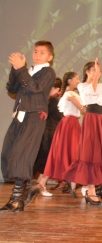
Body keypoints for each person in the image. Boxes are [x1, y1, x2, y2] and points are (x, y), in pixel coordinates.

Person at [0, 41, 55, 212]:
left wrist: (22, 69)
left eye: (42, 53)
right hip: (20, 115)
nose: (37, 55)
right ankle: (28, 190)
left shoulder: (48, 72)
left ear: (50, 57)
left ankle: (17, 199)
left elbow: (36, 87)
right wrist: (15, 69)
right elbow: (12, 87)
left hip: (34, 116)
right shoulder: (29, 70)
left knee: (22, 154)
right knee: (8, 152)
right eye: (36, 52)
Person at [63, 58, 102, 205]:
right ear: (87, 72)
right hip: (91, 120)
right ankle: (90, 191)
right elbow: (93, 90)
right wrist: (96, 77)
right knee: (91, 153)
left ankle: (87, 187)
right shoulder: (82, 86)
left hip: (100, 120)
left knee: (100, 153)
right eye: (95, 70)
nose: (98, 73)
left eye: (99, 71)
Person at [38, 72, 85, 198]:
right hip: (69, 125)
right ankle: (78, 186)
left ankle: (73, 185)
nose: (79, 81)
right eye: (77, 79)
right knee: (69, 154)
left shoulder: (70, 94)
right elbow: (83, 109)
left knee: (70, 154)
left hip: (71, 124)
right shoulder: (70, 94)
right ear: (69, 81)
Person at [33, 77, 63, 184]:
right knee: (43, 157)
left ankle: (39, 184)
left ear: (57, 88)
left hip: (49, 132)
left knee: (44, 157)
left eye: (50, 86)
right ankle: (38, 183)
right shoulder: (52, 100)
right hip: (49, 131)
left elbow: (45, 114)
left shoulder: (54, 100)